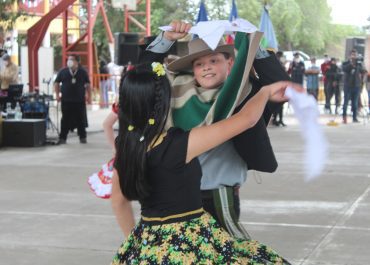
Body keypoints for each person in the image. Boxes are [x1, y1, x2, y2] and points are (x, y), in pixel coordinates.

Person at [111, 63, 300, 264]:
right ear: (163, 102)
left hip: (148, 239)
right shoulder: (177, 145)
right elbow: (246, 119)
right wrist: (265, 92)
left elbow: (118, 200)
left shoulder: (126, 147)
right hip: (189, 242)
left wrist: (139, 243)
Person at [124, 20, 291, 239]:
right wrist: (166, 40)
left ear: (230, 63)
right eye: (199, 64)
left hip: (219, 196)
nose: (207, 67)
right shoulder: (175, 91)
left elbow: (281, 86)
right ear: (192, 69)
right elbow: (140, 79)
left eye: (214, 60)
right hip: (178, 196)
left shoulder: (244, 92)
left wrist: (253, 42)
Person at [54, 54, 91, 144]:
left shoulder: (82, 72)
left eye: (71, 59)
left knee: (80, 118)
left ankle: (82, 137)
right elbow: (57, 83)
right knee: (65, 119)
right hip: (66, 100)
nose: (69, 61)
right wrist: (57, 95)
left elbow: (88, 85)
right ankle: (63, 138)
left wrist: (89, 96)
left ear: (77, 61)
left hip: (79, 100)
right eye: (68, 59)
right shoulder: (63, 71)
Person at [341, 49, 367, 123]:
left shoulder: (359, 64)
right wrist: (351, 64)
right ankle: (344, 117)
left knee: (355, 103)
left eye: (355, 55)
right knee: (345, 102)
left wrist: (363, 76)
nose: (354, 56)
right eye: (352, 55)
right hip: (348, 86)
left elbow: (363, 71)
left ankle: (354, 117)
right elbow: (344, 69)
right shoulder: (345, 63)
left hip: (356, 85)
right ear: (350, 55)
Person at [271, 51, 287, 126]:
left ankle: (279, 119)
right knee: (278, 105)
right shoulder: (276, 64)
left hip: (280, 86)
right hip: (277, 86)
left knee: (280, 105)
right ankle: (275, 119)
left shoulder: (279, 64)